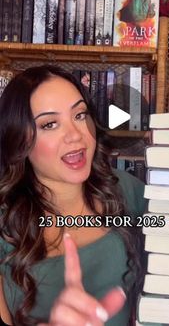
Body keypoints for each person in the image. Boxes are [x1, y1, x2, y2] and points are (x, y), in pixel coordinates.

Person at [0, 64, 146, 326]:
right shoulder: (4, 228)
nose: (76, 135)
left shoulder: (127, 189)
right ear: (19, 141)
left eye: (79, 115)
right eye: (50, 124)